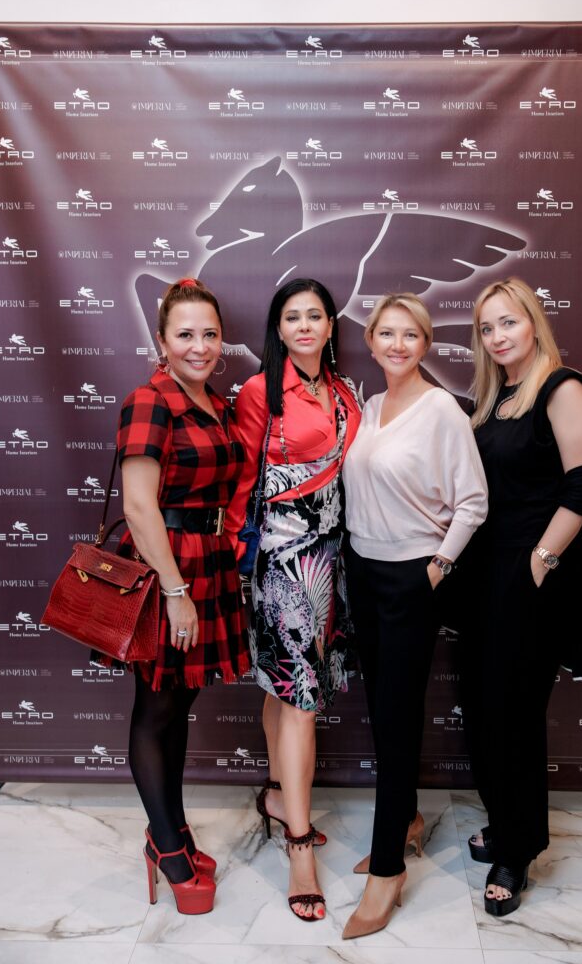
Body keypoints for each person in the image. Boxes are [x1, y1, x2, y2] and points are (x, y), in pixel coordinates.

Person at [93, 278, 248, 914]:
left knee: (176, 702)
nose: (200, 345)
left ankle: (174, 828)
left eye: (210, 334)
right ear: (161, 341)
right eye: (185, 334)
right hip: (169, 570)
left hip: (208, 562)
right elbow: (137, 506)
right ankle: (165, 843)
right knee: (156, 706)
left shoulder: (212, 401)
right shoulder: (149, 400)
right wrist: (176, 592)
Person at [340, 292, 488, 939]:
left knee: (397, 720)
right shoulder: (369, 407)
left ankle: (388, 871)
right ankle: (403, 821)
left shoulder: (440, 412)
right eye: (387, 333)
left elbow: (473, 502)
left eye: (411, 335)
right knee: (381, 710)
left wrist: (435, 567)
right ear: (370, 341)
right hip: (362, 576)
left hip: (409, 580)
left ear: (425, 344)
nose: (398, 344)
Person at [459, 277, 582, 917]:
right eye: (487, 328)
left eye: (508, 323)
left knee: (514, 715)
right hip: (483, 573)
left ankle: (517, 851)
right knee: (483, 708)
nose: (497, 337)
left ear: (533, 323)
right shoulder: (493, 401)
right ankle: (502, 822)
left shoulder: (561, 387)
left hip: (532, 572)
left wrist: (540, 563)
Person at [225, 278, 361, 922]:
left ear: (331, 324)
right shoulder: (260, 393)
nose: (304, 326)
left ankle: (280, 795)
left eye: (315, 315)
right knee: (300, 698)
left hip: (332, 560)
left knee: (284, 694)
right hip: (282, 566)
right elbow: (241, 484)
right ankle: (299, 848)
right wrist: (234, 563)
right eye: (291, 317)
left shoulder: (341, 391)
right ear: (277, 329)